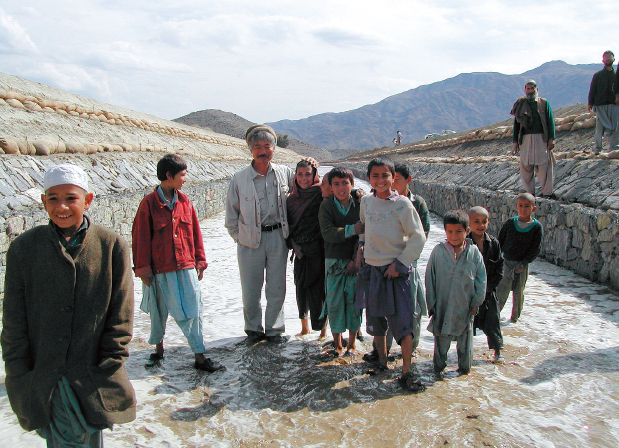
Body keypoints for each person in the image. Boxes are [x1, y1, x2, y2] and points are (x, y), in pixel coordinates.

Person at [2, 164, 136, 447]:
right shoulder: (24, 249)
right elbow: (13, 319)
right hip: (45, 375)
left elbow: (120, 315)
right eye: (53, 198)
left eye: (71, 198)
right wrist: (18, 371)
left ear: (87, 200)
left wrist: (108, 363)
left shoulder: (110, 246)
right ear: (43, 202)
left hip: (92, 374)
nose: (61, 206)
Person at [132, 154, 224, 372]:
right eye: (182, 175)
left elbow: (195, 233)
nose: (185, 179)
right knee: (158, 312)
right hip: (159, 270)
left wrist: (200, 261)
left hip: (185, 266)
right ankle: (158, 350)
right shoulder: (148, 204)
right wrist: (143, 270)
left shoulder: (184, 202)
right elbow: (140, 239)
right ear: (168, 176)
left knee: (193, 311)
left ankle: (199, 356)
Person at [355, 156, 426, 391]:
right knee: (376, 320)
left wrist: (401, 264)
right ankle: (382, 362)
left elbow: (418, 237)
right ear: (368, 179)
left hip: (396, 271)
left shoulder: (403, 204)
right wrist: (361, 249)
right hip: (373, 269)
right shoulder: (366, 202)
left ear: (393, 178)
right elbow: (364, 229)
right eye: (375, 176)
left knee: (403, 322)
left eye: (385, 175)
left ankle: (406, 371)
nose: (380, 180)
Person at [225, 125, 295, 344]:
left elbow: (305, 188)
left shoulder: (285, 173)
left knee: (277, 288)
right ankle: (253, 330)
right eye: (257, 147)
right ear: (250, 149)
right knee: (251, 288)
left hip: (277, 238)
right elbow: (231, 216)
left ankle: (274, 330)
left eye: (267, 146)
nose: (263, 151)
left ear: (274, 148)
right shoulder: (239, 178)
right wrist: (240, 237)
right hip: (249, 241)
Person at [425, 210, 486, 376]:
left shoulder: (473, 253)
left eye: (459, 231)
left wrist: (476, 303)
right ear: (445, 231)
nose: (454, 235)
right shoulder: (438, 252)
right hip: (442, 307)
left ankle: (464, 372)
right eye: (450, 231)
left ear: (467, 231)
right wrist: (431, 304)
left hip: (465, 307)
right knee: (441, 343)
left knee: (465, 345)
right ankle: (438, 371)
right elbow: (430, 279)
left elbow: (481, 279)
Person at [318, 167, 364, 356]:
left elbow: (366, 233)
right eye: (336, 184)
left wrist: (356, 260)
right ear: (330, 187)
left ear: (352, 185)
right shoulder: (326, 206)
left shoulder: (361, 204)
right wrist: (352, 229)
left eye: (345, 183)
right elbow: (328, 233)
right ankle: (337, 344)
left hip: (357, 262)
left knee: (354, 302)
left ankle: (351, 344)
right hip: (334, 263)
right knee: (335, 302)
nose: (341, 188)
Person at [287, 159, 327, 338]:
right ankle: (304, 328)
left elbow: (342, 187)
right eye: (300, 174)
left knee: (319, 290)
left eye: (308, 174)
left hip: (320, 250)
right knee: (301, 287)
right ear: (295, 175)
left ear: (315, 175)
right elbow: (287, 227)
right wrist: (294, 246)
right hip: (300, 252)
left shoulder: (322, 193)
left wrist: (359, 193)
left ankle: (323, 331)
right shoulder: (291, 199)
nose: (304, 178)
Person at [496, 193, 543, 323]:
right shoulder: (510, 223)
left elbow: (535, 248)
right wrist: (498, 258)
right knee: (502, 289)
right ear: (516, 207)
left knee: (518, 292)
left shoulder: (536, 227)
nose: (523, 209)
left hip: (522, 264)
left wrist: (523, 263)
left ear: (533, 208)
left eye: (527, 206)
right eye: (521, 206)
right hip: (506, 261)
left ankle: (514, 319)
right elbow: (501, 241)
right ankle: (495, 316)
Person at [467, 206, 504, 364]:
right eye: (476, 222)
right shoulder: (465, 243)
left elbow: (499, 268)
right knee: (466, 324)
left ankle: (497, 351)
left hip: (489, 292)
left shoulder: (493, 244)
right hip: (469, 292)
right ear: (469, 224)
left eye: (484, 222)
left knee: (493, 321)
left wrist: (489, 288)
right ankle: (465, 353)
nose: (480, 225)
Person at [511, 80, 556, 198]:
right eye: (528, 89)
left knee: (544, 165)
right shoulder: (520, 104)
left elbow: (550, 122)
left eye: (532, 88)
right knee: (526, 167)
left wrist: (552, 139)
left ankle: (547, 192)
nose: (530, 91)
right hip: (525, 139)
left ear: (537, 89)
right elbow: (516, 124)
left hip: (541, 138)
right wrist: (515, 142)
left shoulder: (544, 103)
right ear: (525, 90)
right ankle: (529, 193)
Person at [588, 50, 619, 154]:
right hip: (600, 105)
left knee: (615, 126)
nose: (608, 59)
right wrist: (590, 103)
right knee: (599, 128)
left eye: (610, 57)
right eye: (606, 57)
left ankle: (614, 147)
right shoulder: (598, 75)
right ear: (603, 60)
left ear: (614, 59)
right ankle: (597, 148)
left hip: (614, 104)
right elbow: (593, 89)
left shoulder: (616, 75)